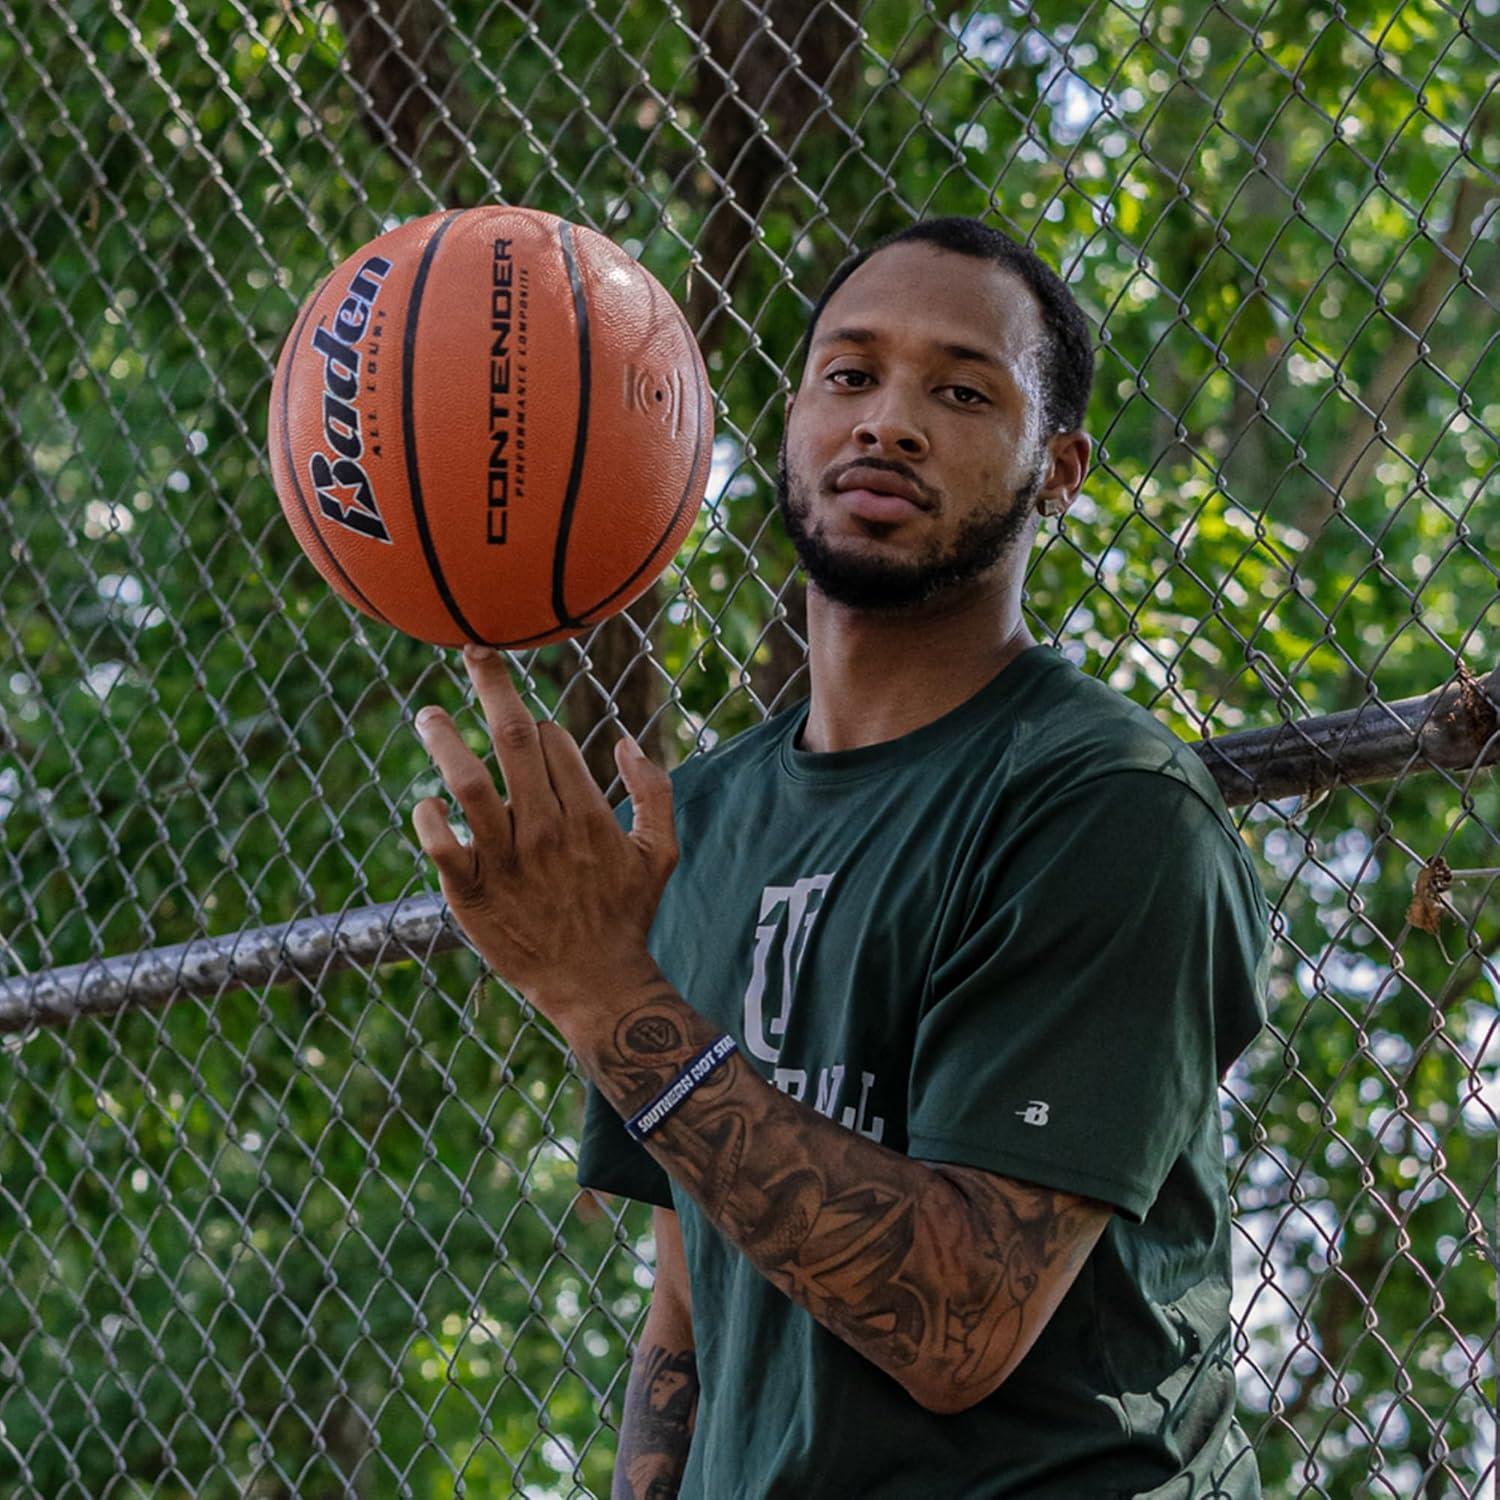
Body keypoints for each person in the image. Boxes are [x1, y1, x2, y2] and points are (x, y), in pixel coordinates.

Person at [411, 216, 1271, 1499]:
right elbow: (687, 1313)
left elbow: (962, 1320)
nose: (890, 423)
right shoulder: (689, 821)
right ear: (789, 428)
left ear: (1061, 469)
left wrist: (602, 991)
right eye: (850, 376)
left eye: (963, 391)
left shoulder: (1106, 803)